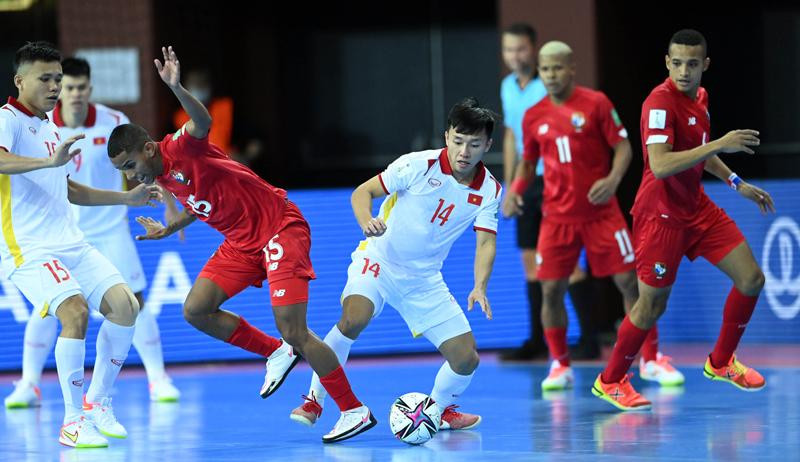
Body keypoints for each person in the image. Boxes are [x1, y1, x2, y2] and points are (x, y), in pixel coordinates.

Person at [108, 46, 375, 443]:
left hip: (279, 228)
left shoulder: (180, 146)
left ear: (147, 149)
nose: (131, 177)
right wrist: (170, 226)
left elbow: (203, 120)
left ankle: (353, 409)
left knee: (296, 331)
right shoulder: (160, 178)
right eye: (123, 172)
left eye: (130, 166)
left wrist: (176, 88)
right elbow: (202, 203)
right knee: (196, 309)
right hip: (241, 242)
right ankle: (274, 353)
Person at [289, 97, 500, 431]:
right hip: (378, 260)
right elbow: (362, 192)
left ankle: (438, 410)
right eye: (458, 141)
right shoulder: (418, 164)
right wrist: (366, 220)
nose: (464, 151)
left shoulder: (490, 191)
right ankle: (315, 398)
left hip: (424, 279)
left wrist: (479, 286)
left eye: (474, 144)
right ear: (447, 136)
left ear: (487, 145)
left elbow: (486, 241)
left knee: (466, 358)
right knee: (353, 318)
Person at [591, 29, 774, 411]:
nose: (684, 71)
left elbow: (698, 153)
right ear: (667, 63)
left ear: (705, 65)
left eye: (692, 64)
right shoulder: (659, 103)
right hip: (660, 216)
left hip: (697, 207)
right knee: (651, 306)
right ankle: (610, 381)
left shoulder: (701, 98)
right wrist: (721, 142)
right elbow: (659, 164)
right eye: (677, 63)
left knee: (752, 279)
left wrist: (735, 180)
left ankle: (721, 362)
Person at [0, 41, 161, 448]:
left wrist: (128, 197)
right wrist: (47, 163)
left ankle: (97, 402)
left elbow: (67, 189)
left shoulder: (50, 126)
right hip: (28, 248)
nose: (54, 87)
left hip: (71, 241)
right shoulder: (8, 120)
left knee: (126, 306)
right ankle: (72, 423)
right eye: (45, 79)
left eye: (57, 78)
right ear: (20, 81)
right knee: (74, 312)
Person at [504, 41, 683, 391]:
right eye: (545, 69)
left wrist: (612, 180)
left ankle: (650, 359)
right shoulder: (533, 115)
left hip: (602, 214)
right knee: (551, 290)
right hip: (556, 218)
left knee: (631, 283)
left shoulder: (596, 103)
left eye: (557, 68)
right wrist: (515, 190)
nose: (551, 75)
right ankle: (560, 364)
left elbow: (624, 148)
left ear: (571, 68)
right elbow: (528, 161)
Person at [498, 23, 598, 361]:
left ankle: (589, 338)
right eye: (509, 50)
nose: (515, 56)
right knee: (530, 261)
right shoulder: (508, 88)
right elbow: (513, 136)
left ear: (534, 49)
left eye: (521, 49)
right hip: (527, 181)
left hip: (556, 181)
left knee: (566, 262)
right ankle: (537, 340)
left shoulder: (550, 86)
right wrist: (511, 184)